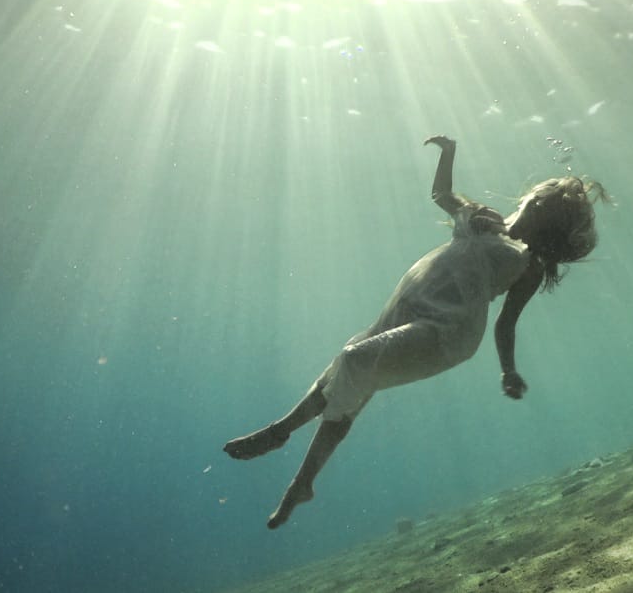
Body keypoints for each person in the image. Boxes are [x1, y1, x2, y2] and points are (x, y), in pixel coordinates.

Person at [223, 135, 609, 529]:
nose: (530, 200)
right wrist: (450, 152)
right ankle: (300, 482)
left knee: (355, 363)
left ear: (542, 209)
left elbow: (506, 322)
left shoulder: (529, 264)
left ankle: (282, 434)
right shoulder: (482, 216)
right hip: (410, 303)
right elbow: (440, 194)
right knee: (352, 360)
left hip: (447, 332)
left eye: (539, 200)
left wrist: (508, 370)